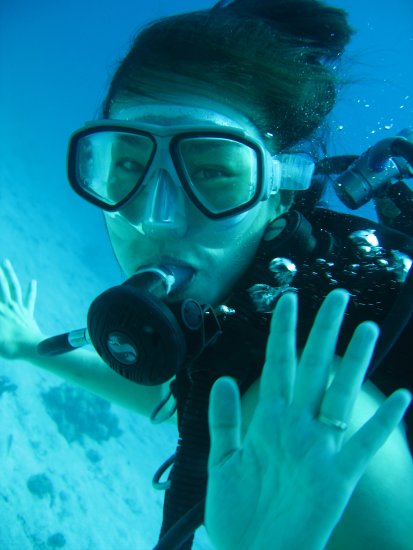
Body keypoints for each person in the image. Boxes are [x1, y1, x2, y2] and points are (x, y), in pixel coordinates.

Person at [1, 0, 412, 548]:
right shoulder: (245, 327)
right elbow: (191, 396)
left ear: (279, 196)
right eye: (126, 163)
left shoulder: (333, 425)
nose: (154, 217)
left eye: (214, 170)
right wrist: (30, 346)